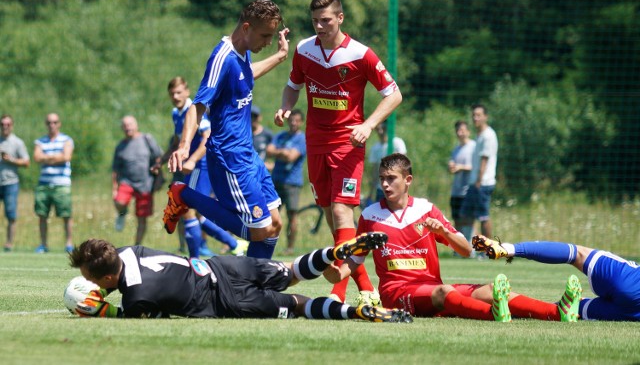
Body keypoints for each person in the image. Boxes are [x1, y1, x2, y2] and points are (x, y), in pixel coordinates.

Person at [324, 153, 582, 322]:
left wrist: (442, 231)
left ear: (408, 180)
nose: (386, 185)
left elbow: (465, 249)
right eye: (382, 179)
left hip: (433, 288)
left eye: (391, 179)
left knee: (490, 290)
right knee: (444, 292)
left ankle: (556, 312)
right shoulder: (370, 215)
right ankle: (493, 315)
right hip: (398, 294)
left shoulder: (426, 209)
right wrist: (329, 269)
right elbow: (351, 265)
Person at [274, 0, 403, 306]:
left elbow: (394, 94)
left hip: (348, 145)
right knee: (331, 216)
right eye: (315, 20)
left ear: (340, 18)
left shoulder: (361, 54)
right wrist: (285, 107)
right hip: (315, 142)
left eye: (326, 20)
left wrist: (368, 124)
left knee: (343, 210)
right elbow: (293, 85)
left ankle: (338, 290)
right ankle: (365, 285)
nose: (320, 26)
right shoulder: (305, 50)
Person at [165, 0, 290, 260]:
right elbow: (197, 106)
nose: (268, 42)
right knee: (260, 231)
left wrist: (278, 56)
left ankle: (254, 292)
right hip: (229, 157)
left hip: (248, 154)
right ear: (246, 28)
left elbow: (246, 74)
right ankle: (182, 193)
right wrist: (184, 145)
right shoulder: (222, 58)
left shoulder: (243, 52)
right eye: (265, 35)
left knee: (275, 224)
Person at [67, 232, 411, 323]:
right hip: (224, 266)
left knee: (298, 304)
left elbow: (144, 310)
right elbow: (126, 278)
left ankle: (353, 312)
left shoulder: (135, 298)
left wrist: (102, 310)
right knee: (291, 271)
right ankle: (334, 252)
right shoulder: (129, 251)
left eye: (96, 281)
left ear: (109, 276)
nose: (96, 286)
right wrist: (107, 290)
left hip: (227, 301)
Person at [164, 76, 248, 257]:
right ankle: (234, 244)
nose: (176, 96)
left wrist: (193, 160)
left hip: (200, 166)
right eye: (172, 94)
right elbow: (178, 140)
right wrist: (162, 159)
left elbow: (207, 137)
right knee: (198, 214)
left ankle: (194, 260)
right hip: (191, 168)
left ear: (187, 91)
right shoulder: (176, 113)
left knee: (188, 210)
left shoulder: (193, 110)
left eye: (179, 92)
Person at [473, 235, 640, 321]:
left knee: (577, 254)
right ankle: (491, 310)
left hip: (632, 281)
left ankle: (508, 249)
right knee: (562, 310)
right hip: (633, 311)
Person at [112, 116, 163, 245]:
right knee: (119, 202)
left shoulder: (147, 139)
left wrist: (159, 178)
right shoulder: (121, 146)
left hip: (146, 184)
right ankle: (122, 213)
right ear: (122, 128)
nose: (128, 127)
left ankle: (137, 246)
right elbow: (115, 169)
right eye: (125, 125)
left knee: (142, 218)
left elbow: (158, 158)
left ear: (136, 125)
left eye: (130, 124)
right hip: (126, 181)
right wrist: (114, 188)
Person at [266, 109, 307, 255]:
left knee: (292, 216)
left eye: (296, 120)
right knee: (271, 215)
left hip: (292, 183)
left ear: (301, 122)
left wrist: (280, 152)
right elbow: (268, 150)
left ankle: (290, 248)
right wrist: (283, 152)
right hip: (276, 180)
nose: (293, 123)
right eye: (291, 120)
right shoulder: (281, 135)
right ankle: (268, 244)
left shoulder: (302, 139)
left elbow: (291, 157)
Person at [33, 113, 74, 253]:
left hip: (62, 183)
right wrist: (57, 156)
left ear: (59, 123)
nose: (52, 125)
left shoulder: (67, 140)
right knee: (42, 215)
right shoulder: (40, 141)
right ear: (46, 124)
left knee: (66, 215)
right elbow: (37, 157)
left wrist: (47, 157)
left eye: (55, 122)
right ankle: (43, 244)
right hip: (44, 183)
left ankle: (69, 243)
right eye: (49, 122)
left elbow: (66, 157)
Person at [459, 104, 498, 240]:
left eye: (478, 115)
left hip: (482, 183)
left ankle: (489, 251)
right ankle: (470, 249)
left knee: (483, 216)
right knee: (466, 215)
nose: (475, 118)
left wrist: (479, 181)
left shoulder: (488, 135)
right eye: (474, 115)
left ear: (485, 117)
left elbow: (484, 160)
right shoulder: (479, 135)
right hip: (475, 182)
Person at [0, 114, 30, 252]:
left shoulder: (17, 142)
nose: (5, 127)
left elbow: (26, 162)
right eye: (2, 124)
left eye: (7, 124)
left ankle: (9, 244)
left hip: (10, 183)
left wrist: (11, 160)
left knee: (11, 214)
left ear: (12, 126)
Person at [448, 120, 476, 245]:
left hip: (468, 189)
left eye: (462, 130)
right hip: (456, 190)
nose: (460, 133)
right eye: (458, 131)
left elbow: (475, 167)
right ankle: (459, 246)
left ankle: (471, 246)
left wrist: (461, 167)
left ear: (468, 132)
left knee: (468, 219)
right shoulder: (456, 149)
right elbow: (453, 166)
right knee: (457, 219)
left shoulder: (473, 147)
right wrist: (452, 166)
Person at [366, 121, 406, 204]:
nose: (380, 131)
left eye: (383, 128)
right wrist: (371, 192)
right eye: (378, 129)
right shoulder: (375, 148)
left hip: (396, 186)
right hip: (381, 188)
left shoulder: (397, 143)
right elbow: (375, 172)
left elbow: (404, 165)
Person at [251, 105, 274, 171]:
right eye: (250, 116)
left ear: (260, 117)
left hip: (262, 171)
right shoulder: (244, 134)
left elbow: (275, 151)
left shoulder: (267, 134)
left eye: (255, 116)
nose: (252, 119)